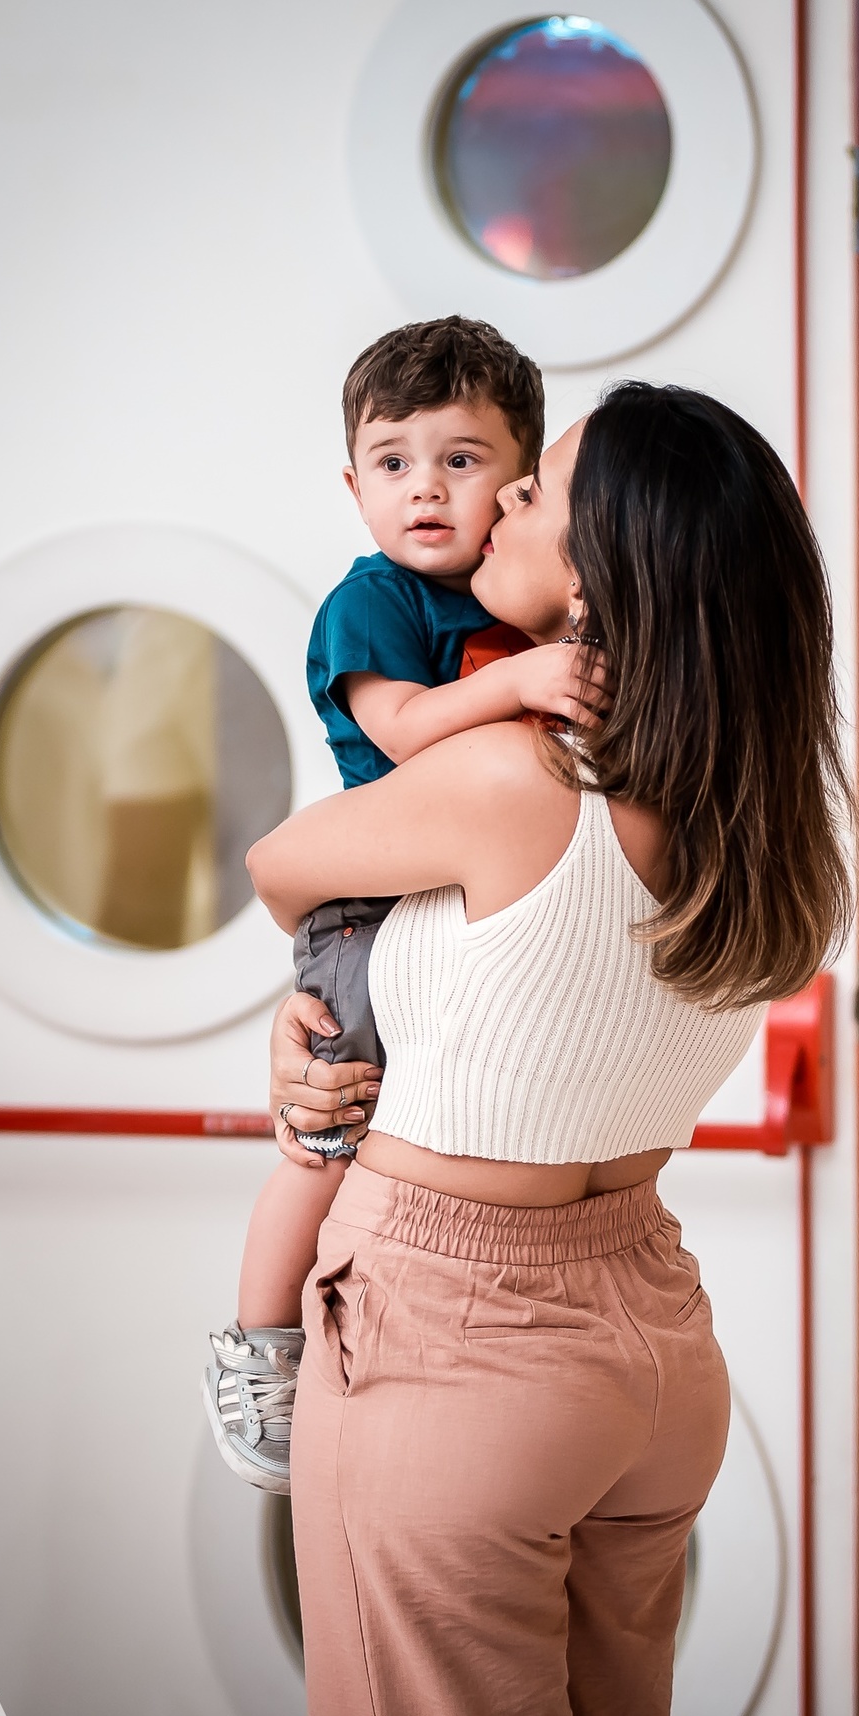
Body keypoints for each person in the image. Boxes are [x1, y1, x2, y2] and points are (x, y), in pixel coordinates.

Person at [250, 382, 858, 1716]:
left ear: (596, 582)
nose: (498, 500)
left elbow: (280, 865)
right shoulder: (767, 827)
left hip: (455, 1343)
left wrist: (317, 1010)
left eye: (536, 492)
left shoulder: (515, 779)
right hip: (650, 1350)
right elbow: (529, 993)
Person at [203, 316, 600, 1495]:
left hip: (460, 903)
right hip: (369, 908)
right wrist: (528, 680)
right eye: (392, 462)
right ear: (354, 483)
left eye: (462, 462)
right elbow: (405, 731)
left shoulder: (517, 602)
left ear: (521, 484)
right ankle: (260, 1349)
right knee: (329, 1140)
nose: (424, 488)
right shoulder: (372, 602)